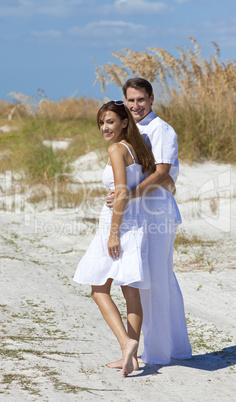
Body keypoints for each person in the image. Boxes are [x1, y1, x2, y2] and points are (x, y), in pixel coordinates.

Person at [74, 101, 173, 377]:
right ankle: (131, 359)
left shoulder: (117, 149)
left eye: (110, 122)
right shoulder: (137, 148)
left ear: (124, 123)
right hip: (136, 224)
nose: (105, 127)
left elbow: (120, 192)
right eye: (101, 123)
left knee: (98, 289)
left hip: (118, 224)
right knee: (131, 292)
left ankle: (127, 343)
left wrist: (113, 233)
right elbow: (146, 183)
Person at [106, 78, 192, 368]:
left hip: (158, 214)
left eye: (140, 100)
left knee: (157, 279)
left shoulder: (161, 130)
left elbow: (163, 173)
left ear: (151, 98)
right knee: (149, 280)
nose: (135, 106)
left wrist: (128, 195)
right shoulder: (131, 130)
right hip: (138, 215)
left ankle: (159, 353)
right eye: (130, 101)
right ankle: (173, 349)